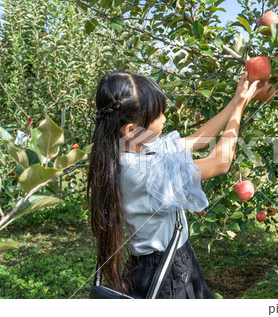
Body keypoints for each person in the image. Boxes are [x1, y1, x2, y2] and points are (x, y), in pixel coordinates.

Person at [87, 70, 264, 299]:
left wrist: (237, 100)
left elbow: (199, 140)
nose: (164, 118)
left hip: (165, 263)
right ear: (131, 129)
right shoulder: (144, 171)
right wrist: (239, 110)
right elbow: (220, 163)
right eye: (158, 115)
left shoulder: (131, 148)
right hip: (166, 274)